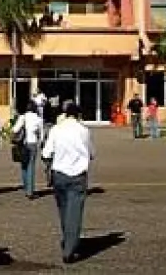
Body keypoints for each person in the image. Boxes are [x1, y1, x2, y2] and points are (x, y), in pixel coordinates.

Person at [42, 101, 96, 265]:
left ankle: (68, 240)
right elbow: (92, 153)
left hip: (59, 174)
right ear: (78, 115)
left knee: (64, 210)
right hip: (78, 175)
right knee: (75, 211)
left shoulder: (56, 129)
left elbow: (46, 152)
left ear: (65, 114)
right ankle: (70, 247)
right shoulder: (84, 131)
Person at [12, 101, 44, 199]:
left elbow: (15, 130)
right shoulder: (39, 119)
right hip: (33, 143)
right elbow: (41, 135)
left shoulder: (23, 117)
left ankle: (26, 186)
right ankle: (30, 191)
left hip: (23, 143)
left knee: (24, 165)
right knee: (31, 166)